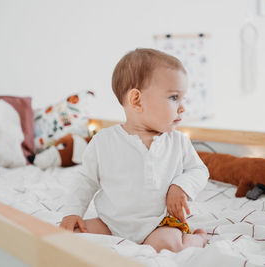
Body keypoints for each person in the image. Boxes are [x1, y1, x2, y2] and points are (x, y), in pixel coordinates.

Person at [60, 48, 209, 253]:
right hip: (110, 224)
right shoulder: (104, 141)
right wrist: (72, 212)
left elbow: (199, 171)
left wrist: (179, 186)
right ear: (137, 100)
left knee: (169, 245)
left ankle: (197, 239)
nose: (182, 107)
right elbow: (85, 180)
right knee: (70, 238)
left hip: (158, 223)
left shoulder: (178, 142)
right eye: (174, 98)